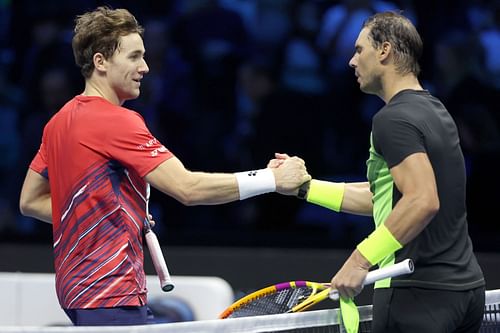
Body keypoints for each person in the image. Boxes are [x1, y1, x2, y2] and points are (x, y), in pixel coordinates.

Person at [18, 6, 310, 326]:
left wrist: (107, 212)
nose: (145, 67)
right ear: (100, 61)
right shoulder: (118, 121)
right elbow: (188, 188)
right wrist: (271, 179)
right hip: (110, 290)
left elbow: (30, 201)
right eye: (133, 57)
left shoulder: (58, 122)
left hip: (75, 291)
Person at [275, 11, 485, 333]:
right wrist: (306, 188)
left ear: (384, 50)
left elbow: (422, 200)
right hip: (464, 292)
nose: (351, 61)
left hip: (416, 293)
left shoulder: (392, 119)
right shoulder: (435, 110)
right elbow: (386, 198)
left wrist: (360, 260)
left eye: (359, 50)